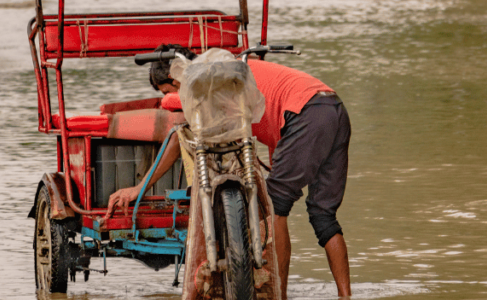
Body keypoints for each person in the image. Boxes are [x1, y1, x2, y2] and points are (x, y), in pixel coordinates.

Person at [106, 44, 353, 298]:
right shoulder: (228, 70)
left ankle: (279, 295)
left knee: (276, 203)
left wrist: (140, 187)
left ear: (176, 78)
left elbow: (176, 137)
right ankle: (345, 295)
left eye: (172, 91)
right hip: (333, 107)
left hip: (304, 114)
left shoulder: (211, 80)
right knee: (323, 216)